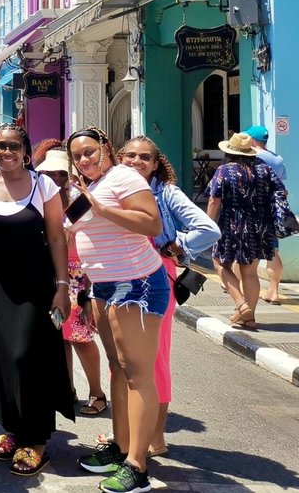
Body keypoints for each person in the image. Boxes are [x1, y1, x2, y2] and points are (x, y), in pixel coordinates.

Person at [0, 124, 74, 477]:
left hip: (35, 283)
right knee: (2, 358)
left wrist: (63, 285)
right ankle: (12, 428)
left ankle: (36, 439)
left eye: (13, 146)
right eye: (0, 146)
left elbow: (56, 239)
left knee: (28, 357)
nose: (6, 152)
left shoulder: (44, 186)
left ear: (25, 150)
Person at [67, 127, 168, 493]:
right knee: (117, 368)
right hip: (104, 286)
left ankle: (137, 466)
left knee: (138, 373)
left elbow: (151, 223)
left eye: (90, 151)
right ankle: (121, 446)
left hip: (137, 284)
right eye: (77, 155)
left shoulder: (123, 176)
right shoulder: (87, 188)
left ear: (106, 149)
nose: (84, 159)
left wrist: (102, 209)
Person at [120, 136, 219, 456]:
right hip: (120, 276)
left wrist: (178, 245)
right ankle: (130, 436)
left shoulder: (166, 193)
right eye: (130, 155)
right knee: (123, 361)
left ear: (155, 164)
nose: (136, 162)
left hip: (155, 277)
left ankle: (156, 438)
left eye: (144, 157)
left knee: (154, 359)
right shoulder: (114, 188)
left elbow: (209, 229)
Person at [34, 143, 106, 419]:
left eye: (60, 174)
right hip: (51, 272)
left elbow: (90, 240)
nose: (55, 179)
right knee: (58, 337)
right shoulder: (39, 197)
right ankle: (66, 389)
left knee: (81, 337)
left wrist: (89, 291)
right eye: (49, 174)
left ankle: (97, 392)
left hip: (78, 274)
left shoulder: (79, 200)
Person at [206, 132, 283, 331]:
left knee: (220, 262)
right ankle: (249, 318)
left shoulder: (224, 170)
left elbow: (214, 200)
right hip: (260, 225)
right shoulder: (265, 169)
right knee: (249, 271)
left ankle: (241, 305)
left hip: (232, 224)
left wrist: (208, 224)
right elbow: (282, 192)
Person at [245, 125, 287, 305]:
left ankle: (241, 290)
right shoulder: (277, 159)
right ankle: (274, 291)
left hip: (252, 208)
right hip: (271, 210)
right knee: (272, 250)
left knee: (245, 252)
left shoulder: (249, 157)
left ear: (252, 140)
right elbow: (282, 186)